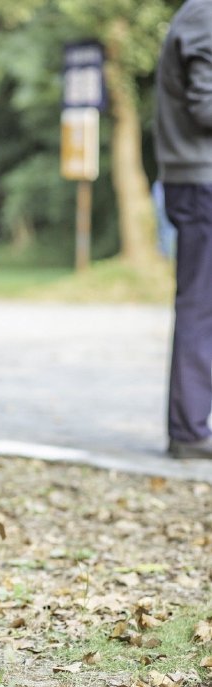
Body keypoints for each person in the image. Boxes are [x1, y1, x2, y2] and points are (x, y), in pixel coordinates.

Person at [155, 0, 212, 459]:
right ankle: (190, 431)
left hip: (198, 180)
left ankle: (191, 428)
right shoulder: (205, 15)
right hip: (202, 182)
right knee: (201, 306)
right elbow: (206, 106)